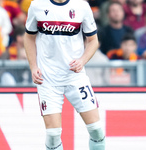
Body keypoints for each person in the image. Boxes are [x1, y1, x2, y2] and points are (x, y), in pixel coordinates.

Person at [24, 0, 105, 150]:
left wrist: (82, 60)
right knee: (53, 134)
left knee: (96, 129)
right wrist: (33, 66)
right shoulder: (37, 5)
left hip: (75, 77)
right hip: (48, 79)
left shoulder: (81, 6)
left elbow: (93, 40)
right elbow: (29, 37)